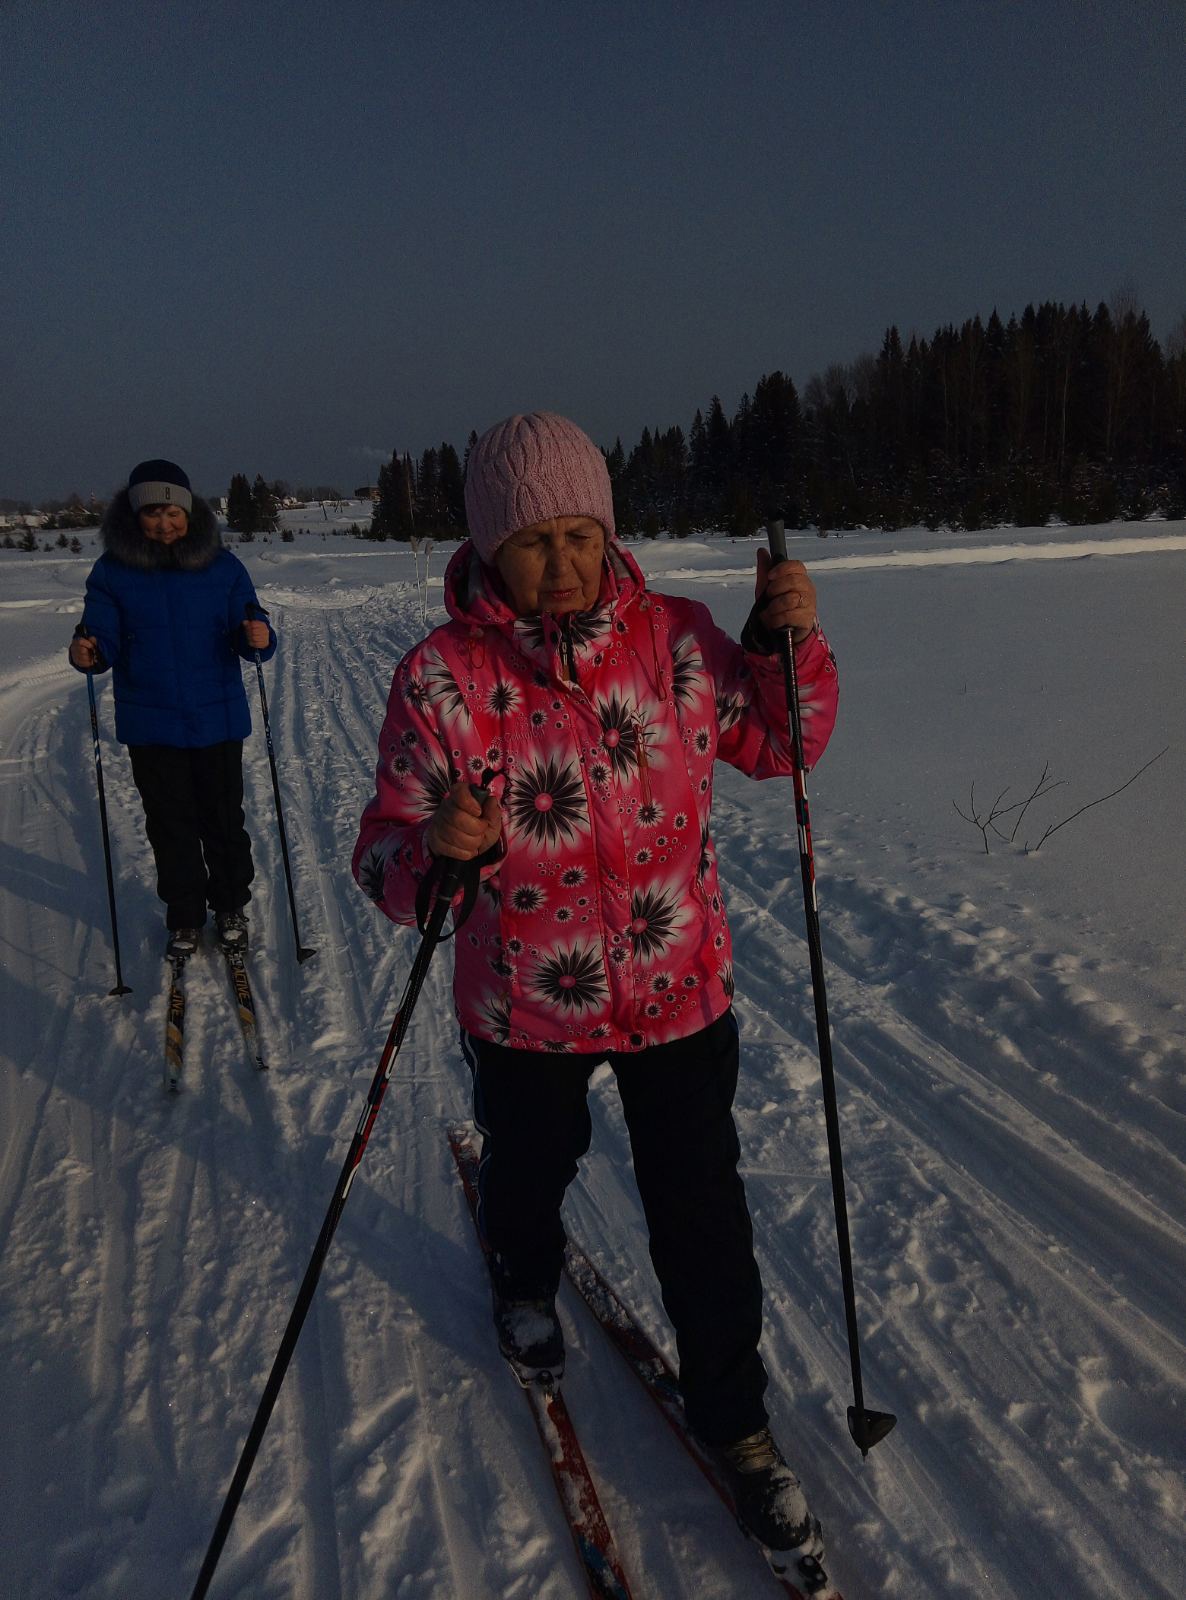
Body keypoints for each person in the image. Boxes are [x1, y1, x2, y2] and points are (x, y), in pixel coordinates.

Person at [352, 413, 838, 1558]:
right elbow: (383, 856)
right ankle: (522, 1278)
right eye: (533, 540)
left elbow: (781, 742)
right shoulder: (439, 678)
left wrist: (789, 644)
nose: (563, 561)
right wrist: (441, 854)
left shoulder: (676, 640)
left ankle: (739, 1421)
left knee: (701, 1212)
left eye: (581, 532)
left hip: (678, 991)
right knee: (528, 1165)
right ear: (486, 549)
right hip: (526, 1002)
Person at [69, 459, 276, 958]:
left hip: (217, 719)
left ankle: (229, 905)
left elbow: (250, 625)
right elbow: (102, 638)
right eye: (152, 513)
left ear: (190, 511)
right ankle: (184, 915)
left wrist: (260, 637)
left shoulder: (222, 566)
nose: (164, 523)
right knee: (169, 825)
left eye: (173, 512)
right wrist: (88, 650)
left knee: (223, 821)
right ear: (133, 517)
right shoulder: (113, 572)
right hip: (151, 724)